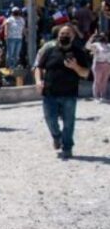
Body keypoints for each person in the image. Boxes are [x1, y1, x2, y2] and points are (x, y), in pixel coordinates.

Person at [35, 25, 90, 159]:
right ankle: (56, 137)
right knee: (50, 119)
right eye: (62, 33)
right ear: (58, 35)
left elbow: (86, 73)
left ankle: (67, 147)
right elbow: (38, 67)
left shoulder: (79, 53)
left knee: (69, 122)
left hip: (69, 94)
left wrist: (75, 66)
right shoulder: (49, 51)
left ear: (73, 36)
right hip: (49, 93)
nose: (64, 35)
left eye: (67, 33)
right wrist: (38, 81)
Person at [85, 31, 110, 102]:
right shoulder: (96, 44)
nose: (103, 37)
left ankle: (103, 96)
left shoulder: (109, 45)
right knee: (97, 81)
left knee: (104, 81)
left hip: (107, 65)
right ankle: (96, 97)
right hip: (98, 64)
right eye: (101, 36)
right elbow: (87, 46)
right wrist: (91, 38)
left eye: (105, 35)